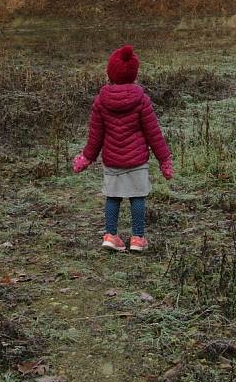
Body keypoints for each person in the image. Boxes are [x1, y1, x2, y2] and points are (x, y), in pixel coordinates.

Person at [72, 44, 173, 252]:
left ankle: (111, 235)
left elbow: (95, 135)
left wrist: (87, 157)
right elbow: (153, 133)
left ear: (110, 74)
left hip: (112, 159)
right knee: (137, 196)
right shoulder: (142, 100)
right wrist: (164, 160)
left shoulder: (101, 101)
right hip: (137, 161)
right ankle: (137, 238)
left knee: (113, 196)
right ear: (134, 74)